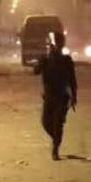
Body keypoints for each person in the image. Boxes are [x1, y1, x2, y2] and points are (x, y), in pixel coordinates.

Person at [33, 30, 77, 161]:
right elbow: (36, 71)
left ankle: (55, 149)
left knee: (58, 123)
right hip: (49, 96)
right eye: (53, 45)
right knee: (46, 122)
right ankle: (57, 139)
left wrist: (74, 96)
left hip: (62, 96)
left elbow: (72, 79)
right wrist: (41, 61)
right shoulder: (45, 59)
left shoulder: (66, 60)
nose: (55, 47)